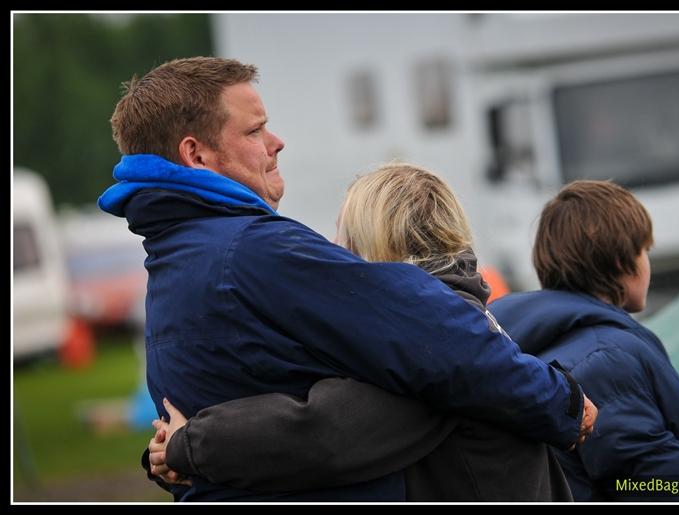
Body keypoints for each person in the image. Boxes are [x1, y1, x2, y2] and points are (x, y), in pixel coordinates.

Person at [97, 56, 594, 502]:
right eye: (255, 131)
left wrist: (182, 452)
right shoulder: (253, 250)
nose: (277, 142)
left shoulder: (175, 262)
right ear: (196, 154)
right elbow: (431, 349)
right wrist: (559, 400)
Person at [147, 164, 588, 501]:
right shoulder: (460, 317)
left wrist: (186, 447)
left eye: (342, 237)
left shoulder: (429, 349)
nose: (334, 254)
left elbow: (322, 432)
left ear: (373, 242)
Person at [488, 180, 679, 501]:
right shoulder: (605, 359)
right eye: (645, 250)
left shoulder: (528, 342)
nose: (647, 262)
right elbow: (653, 485)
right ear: (623, 261)